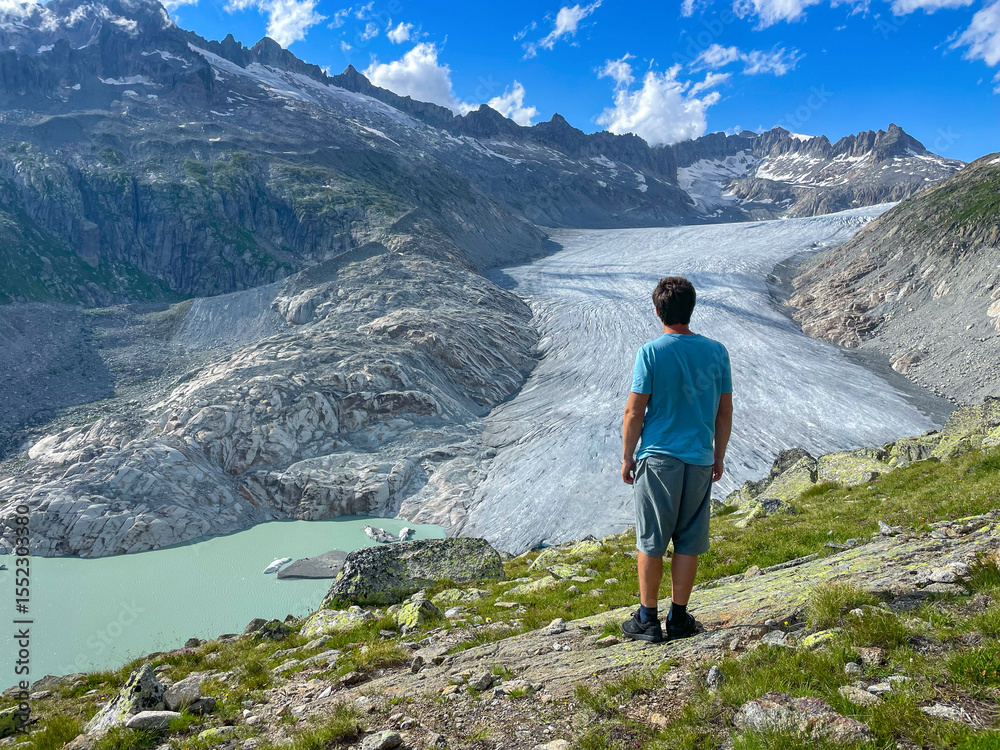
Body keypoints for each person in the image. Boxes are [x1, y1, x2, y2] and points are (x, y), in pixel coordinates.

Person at [619, 276, 733, 643]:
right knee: (688, 539)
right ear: (692, 309)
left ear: (657, 311)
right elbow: (724, 411)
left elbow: (634, 412)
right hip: (699, 459)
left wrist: (626, 457)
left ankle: (648, 620)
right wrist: (718, 456)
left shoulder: (652, 352)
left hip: (659, 459)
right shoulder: (717, 352)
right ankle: (679, 618)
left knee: (652, 539)